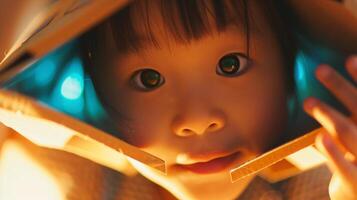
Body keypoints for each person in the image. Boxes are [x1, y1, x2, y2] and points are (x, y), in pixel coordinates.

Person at [78, 0, 357, 199]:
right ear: (98, 98)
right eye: (148, 79)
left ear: (288, 72)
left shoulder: (316, 185)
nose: (198, 121)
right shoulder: (91, 184)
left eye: (230, 65)